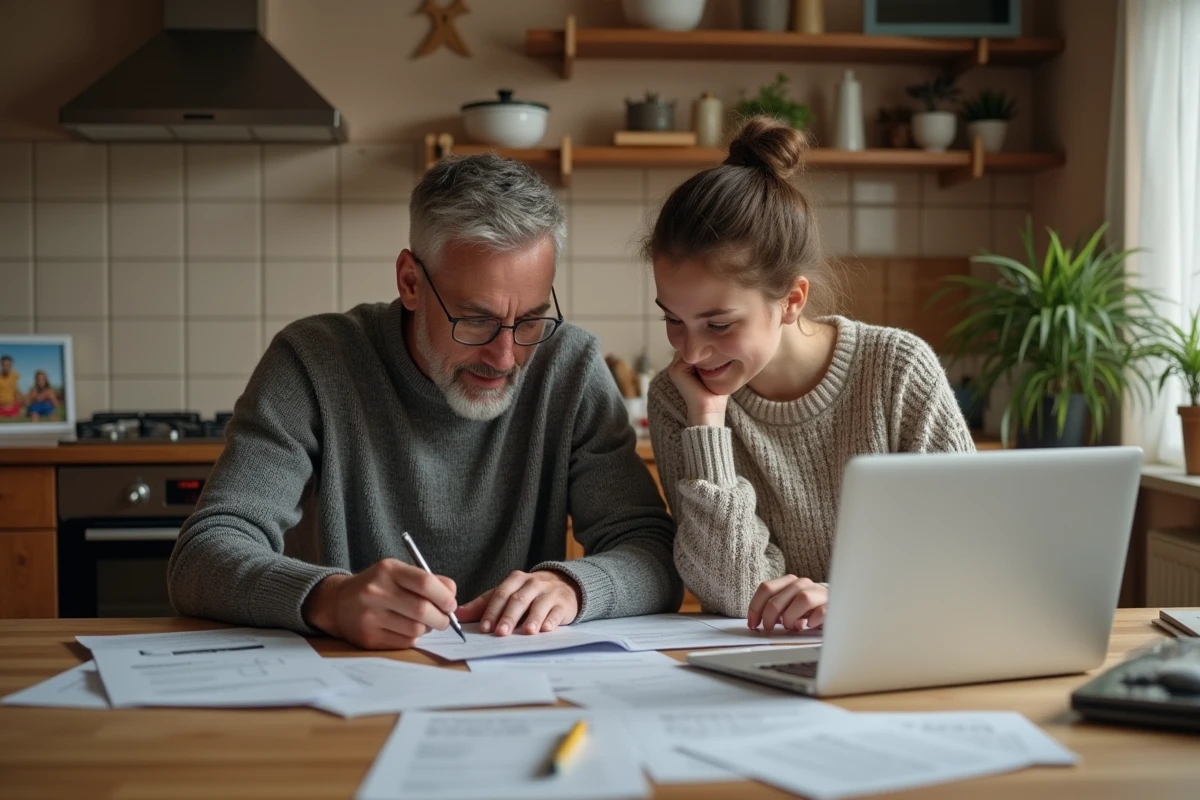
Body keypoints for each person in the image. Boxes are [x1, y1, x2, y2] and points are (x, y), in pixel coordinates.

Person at [169, 154, 681, 650]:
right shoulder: (312, 363)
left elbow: (653, 554)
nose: (505, 357)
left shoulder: (569, 366)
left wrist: (575, 587)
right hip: (348, 693)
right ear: (410, 282)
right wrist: (328, 600)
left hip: (514, 685)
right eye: (475, 319)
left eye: (529, 320)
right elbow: (202, 556)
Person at [646, 116, 974, 633]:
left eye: (719, 323)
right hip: (760, 669)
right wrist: (708, 426)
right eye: (673, 320)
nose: (693, 349)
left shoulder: (896, 369)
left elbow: (967, 555)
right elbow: (733, 593)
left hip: (901, 649)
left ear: (791, 301)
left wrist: (849, 601)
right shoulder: (677, 398)